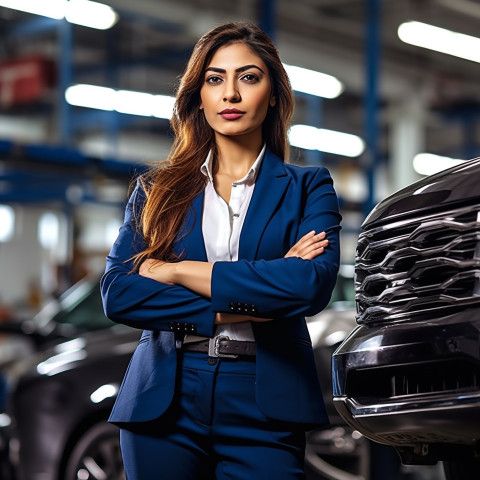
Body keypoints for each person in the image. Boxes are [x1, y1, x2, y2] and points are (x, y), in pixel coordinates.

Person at [101, 21, 341, 480]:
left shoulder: (310, 187)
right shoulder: (156, 191)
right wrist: (245, 301)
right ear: (200, 96)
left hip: (265, 400)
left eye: (248, 77)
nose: (230, 93)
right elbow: (119, 293)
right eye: (215, 79)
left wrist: (176, 271)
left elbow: (307, 287)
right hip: (165, 399)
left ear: (273, 94)